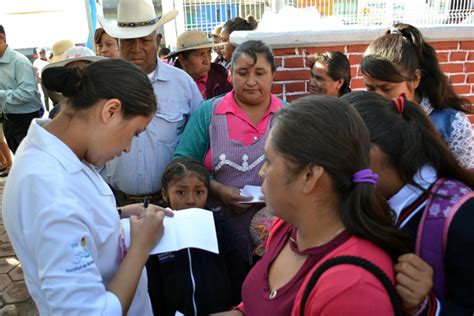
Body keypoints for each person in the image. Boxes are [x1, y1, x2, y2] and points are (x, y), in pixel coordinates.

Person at [3, 58, 173, 315]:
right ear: (111, 111)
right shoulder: (50, 190)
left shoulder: (61, 151)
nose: (128, 147)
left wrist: (117, 215)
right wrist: (141, 246)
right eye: (134, 133)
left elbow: (73, 223)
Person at [214, 95, 408, 315]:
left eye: (268, 161)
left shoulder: (352, 289)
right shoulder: (288, 229)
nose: (261, 173)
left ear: (309, 176)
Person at [343, 91, 474, 316]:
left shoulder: (460, 216)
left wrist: (427, 307)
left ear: (369, 152)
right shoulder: (372, 198)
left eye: (339, 153)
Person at [174, 40, 285, 267]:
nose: (251, 82)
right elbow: (181, 163)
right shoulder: (209, 113)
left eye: (260, 73)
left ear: (273, 75)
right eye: (243, 73)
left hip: (276, 233)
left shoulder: (289, 115)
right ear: (230, 74)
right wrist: (217, 188)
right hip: (217, 231)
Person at [98, 0, 203, 206]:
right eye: (129, 41)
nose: (136, 48)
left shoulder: (182, 84)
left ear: (158, 40)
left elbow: (200, 138)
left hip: (171, 204)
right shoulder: (102, 86)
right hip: (115, 202)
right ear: (119, 42)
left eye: (144, 41)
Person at [361, 23, 474, 169]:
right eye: (370, 88)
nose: (377, 96)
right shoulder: (364, 120)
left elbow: (466, 183)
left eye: (387, 88)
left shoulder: (452, 125)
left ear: (414, 79)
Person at [147, 158, 246, 316]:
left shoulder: (218, 226)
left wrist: (235, 308)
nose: (191, 200)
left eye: (199, 192)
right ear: (165, 194)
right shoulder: (157, 229)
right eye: (180, 192)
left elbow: (236, 271)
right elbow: (152, 283)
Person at [0, 25, 42, 154]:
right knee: (19, 158)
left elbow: (27, 93)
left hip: (25, 120)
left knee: (31, 161)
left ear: (1, 38)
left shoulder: (19, 62)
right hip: (8, 118)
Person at [167, 30, 232, 100]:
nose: (206, 61)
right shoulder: (170, 85)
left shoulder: (221, 83)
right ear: (182, 60)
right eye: (199, 55)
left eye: (209, 53)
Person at [43, 46, 105, 119]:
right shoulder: (57, 113)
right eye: (73, 72)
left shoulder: (110, 105)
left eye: (85, 70)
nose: (80, 76)